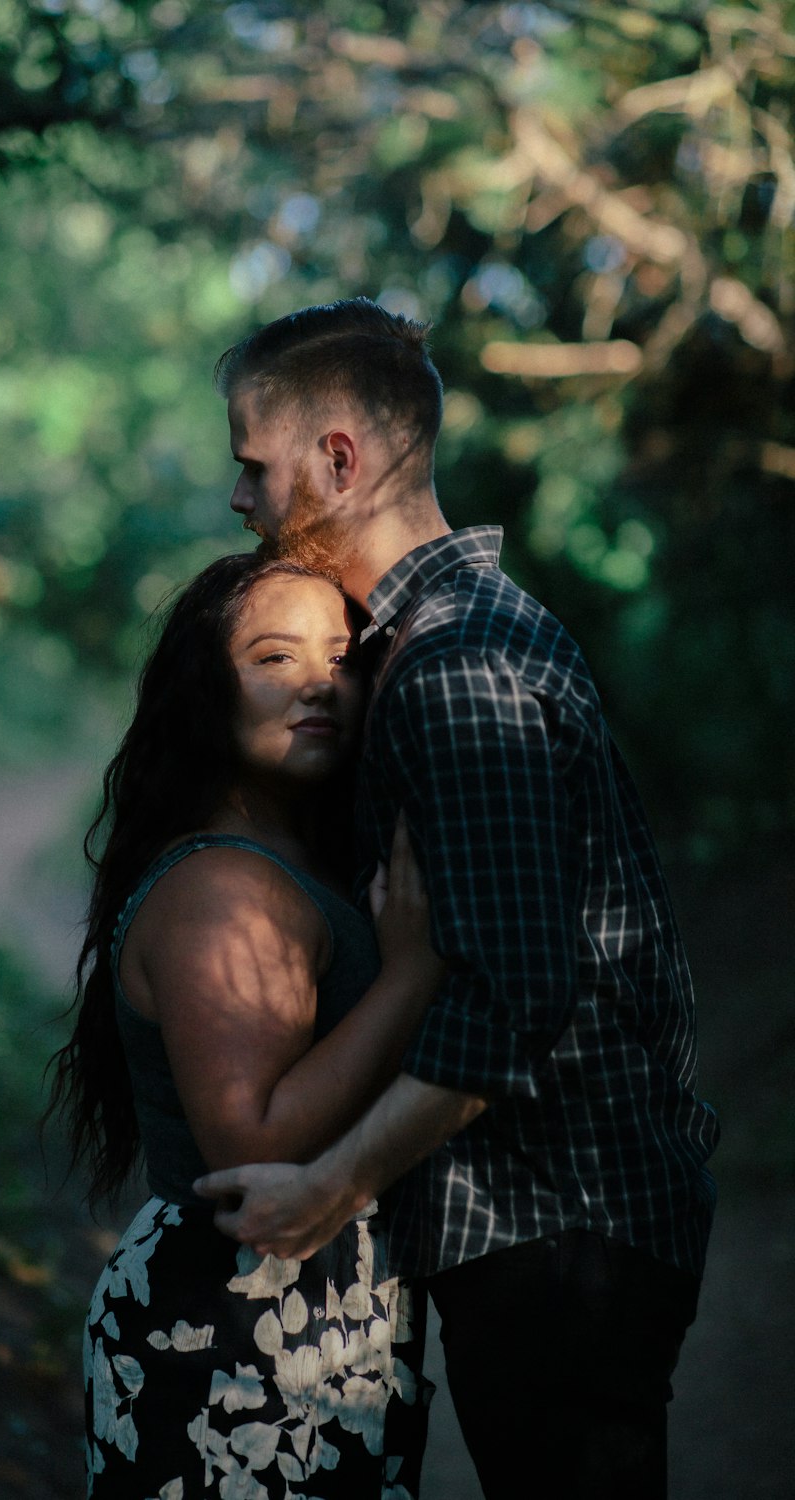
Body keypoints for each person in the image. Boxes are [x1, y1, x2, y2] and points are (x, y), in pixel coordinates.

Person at [194, 299, 721, 1499]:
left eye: (252, 468)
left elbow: (515, 993)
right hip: (556, 1224)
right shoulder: (451, 635)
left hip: (556, 1223)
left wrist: (328, 1189)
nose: (240, 502)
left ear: (336, 459)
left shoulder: (455, 662)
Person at [47, 552, 444, 1499]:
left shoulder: (288, 858)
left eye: (343, 659)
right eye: (274, 657)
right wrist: (415, 970)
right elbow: (248, 1138)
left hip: (307, 1322)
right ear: (203, 690)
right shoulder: (224, 887)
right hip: (231, 1331)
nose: (320, 684)